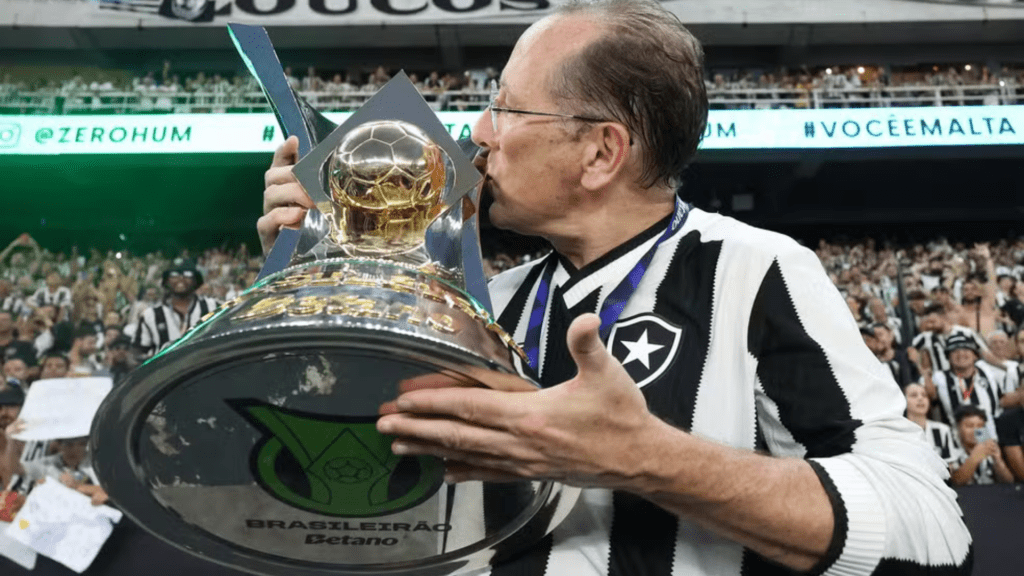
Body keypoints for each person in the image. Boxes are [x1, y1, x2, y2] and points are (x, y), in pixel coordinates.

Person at [259, 1, 972, 573]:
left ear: (601, 152)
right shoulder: (483, 301)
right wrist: (312, 278)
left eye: (507, 108)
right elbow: (333, 489)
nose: (479, 131)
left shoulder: (754, 270)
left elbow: (935, 533)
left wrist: (644, 458)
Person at [131, 258, 218, 358]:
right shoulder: (150, 315)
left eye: (187, 274)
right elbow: (137, 351)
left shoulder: (213, 307)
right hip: (167, 372)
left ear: (195, 281)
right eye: (174, 275)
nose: (181, 279)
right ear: (166, 281)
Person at [949, 405, 1014, 485]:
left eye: (980, 426)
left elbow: (1009, 482)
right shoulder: (950, 448)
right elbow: (955, 482)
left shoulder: (988, 445)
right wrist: (975, 458)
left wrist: (998, 461)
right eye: (969, 426)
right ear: (957, 427)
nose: (976, 430)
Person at [904, 382, 957, 466]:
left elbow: (949, 467)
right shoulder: (898, 430)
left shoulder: (942, 430)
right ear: (903, 401)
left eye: (924, 395)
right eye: (914, 395)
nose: (920, 398)